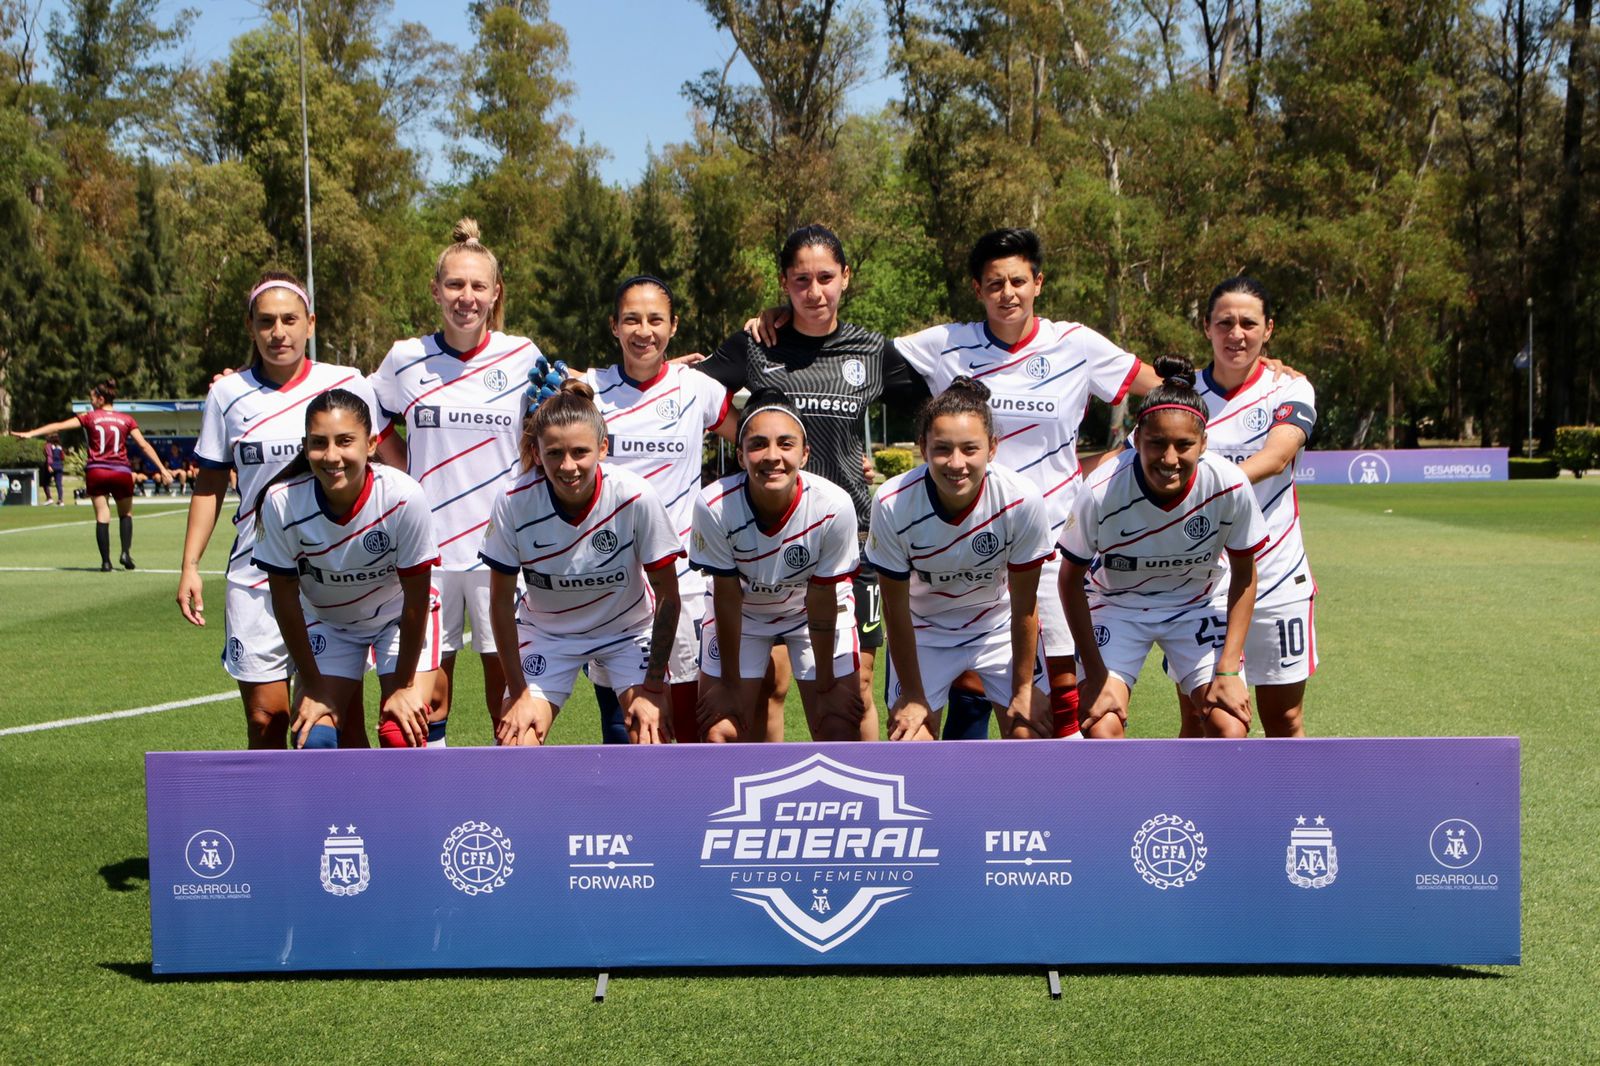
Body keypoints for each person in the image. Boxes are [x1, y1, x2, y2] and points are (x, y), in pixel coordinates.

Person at [698, 225, 935, 740]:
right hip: (765, 541)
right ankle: (773, 807)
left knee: (855, 688)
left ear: (846, 278)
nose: (815, 291)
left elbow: (936, 414)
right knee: (769, 685)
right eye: (801, 279)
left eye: (826, 277)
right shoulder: (758, 343)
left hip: (852, 539)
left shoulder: (871, 350)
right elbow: (691, 395)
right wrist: (745, 439)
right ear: (784, 282)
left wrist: (880, 466)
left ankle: (863, 804)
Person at [176, 270, 383, 749]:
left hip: (334, 576)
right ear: (250, 327)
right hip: (255, 576)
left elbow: (384, 459)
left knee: (340, 722)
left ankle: (356, 823)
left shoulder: (347, 383)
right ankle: (275, 824)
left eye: (290, 319)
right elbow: (208, 487)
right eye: (266, 321)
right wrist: (189, 566)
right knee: (267, 719)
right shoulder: (226, 395)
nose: (278, 332)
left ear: (310, 323)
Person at [371, 219, 544, 743]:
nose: (465, 297)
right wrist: (407, 477)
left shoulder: (524, 356)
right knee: (421, 704)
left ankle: (511, 810)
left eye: (477, 287)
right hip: (427, 554)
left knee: (510, 699)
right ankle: (430, 804)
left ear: (496, 293)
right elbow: (366, 417)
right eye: (454, 285)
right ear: (435, 290)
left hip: (501, 553)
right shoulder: (405, 358)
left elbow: (572, 411)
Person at [1058, 356, 1268, 739]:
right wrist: (1096, 672)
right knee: (1100, 725)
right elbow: (1069, 580)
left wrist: (1228, 671)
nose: (1169, 459)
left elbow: (1244, 573)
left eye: (1184, 445)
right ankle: (1123, 802)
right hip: (1118, 606)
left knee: (1229, 724)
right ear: (1136, 439)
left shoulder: (1230, 485)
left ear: (1204, 443)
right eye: (1156, 443)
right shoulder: (1101, 489)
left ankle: (1197, 800)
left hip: (1196, 604)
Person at [481, 380, 683, 746]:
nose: (568, 465)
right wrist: (519, 692)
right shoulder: (513, 501)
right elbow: (498, 602)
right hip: (548, 634)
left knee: (649, 736)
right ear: (537, 452)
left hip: (626, 632)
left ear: (603, 448)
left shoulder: (635, 496)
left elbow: (668, 595)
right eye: (555, 452)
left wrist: (654, 687)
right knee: (514, 743)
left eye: (580, 452)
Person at [582, 275, 736, 744]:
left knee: (683, 713)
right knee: (622, 717)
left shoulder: (698, 388)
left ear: (673, 327)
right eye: (631, 319)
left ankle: (684, 815)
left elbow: (753, 442)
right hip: (610, 578)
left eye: (655, 320)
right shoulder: (590, 388)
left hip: (682, 582)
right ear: (614, 326)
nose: (643, 330)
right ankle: (631, 815)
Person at [251, 389, 441, 749]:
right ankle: (352, 807)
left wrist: (402, 688)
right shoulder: (281, 502)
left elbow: (416, 601)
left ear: (370, 444)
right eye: (319, 443)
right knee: (313, 736)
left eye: (345, 441)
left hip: (398, 619)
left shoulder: (403, 496)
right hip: (329, 623)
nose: (332, 456)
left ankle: (411, 806)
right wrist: (315, 686)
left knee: (401, 733)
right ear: (305, 446)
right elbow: (286, 605)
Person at [868, 378, 1056, 740]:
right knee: (912, 741)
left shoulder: (1020, 499)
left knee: (1029, 733)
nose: (956, 463)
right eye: (942, 449)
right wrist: (913, 695)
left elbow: (1024, 606)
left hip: (997, 629)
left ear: (993, 448)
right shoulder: (893, 502)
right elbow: (896, 610)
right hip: (924, 631)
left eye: (970, 449)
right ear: (923, 448)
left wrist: (1023, 689)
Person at [1171, 276, 1317, 738]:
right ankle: (1197, 813)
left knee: (1284, 719)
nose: (1237, 333)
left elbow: (1276, 458)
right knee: (1205, 719)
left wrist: (1199, 482)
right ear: (1207, 327)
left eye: (1248, 323)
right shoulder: (1182, 395)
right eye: (1225, 322)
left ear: (1268, 329)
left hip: (1277, 576)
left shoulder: (1289, 388)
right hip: (1202, 582)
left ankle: (1283, 811)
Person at [690, 389, 865, 742]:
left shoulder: (833, 504)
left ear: (804, 453)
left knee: (837, 724)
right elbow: (726, 597)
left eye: (785, 444)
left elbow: (821, 597)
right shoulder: (713, 505)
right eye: (758, 444)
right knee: (721, 731)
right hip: (745, 613)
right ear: (740, 455)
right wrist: (728, 683)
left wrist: (827, 682)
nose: (772, 456)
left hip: (809, 611)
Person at [12, 379, 172, 569]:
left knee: (102, 515)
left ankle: (105, 562)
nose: (91, 402)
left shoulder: (89, 417)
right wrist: (162, 469)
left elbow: (59, 426)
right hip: (120, 471)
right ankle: (125, 554)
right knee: (126, 513)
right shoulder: (126, 419)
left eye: (92, 398)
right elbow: (143, 445)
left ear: (100, 399)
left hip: (97, 471)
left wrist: (31, 433)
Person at [41, 434, 65, 506]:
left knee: (45, 482)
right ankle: (60, 500)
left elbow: (49, 456)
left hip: (51, 466)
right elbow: (63, 457)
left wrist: (49, 465)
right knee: (59, 484)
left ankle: (49, 498)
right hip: (59, 466)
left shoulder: (48, 446)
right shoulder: (60, 447)